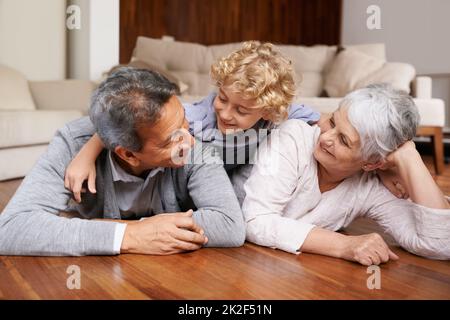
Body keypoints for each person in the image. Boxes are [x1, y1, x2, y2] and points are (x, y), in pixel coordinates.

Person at [0, 68, 245, 256]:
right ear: (127, 153)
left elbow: (229, 225)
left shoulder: (195, 144)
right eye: (173, 139)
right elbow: (11, 229)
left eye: (184, 122)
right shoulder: (74, 143)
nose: (189, 142)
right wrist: (131, 235)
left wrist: (98, 227)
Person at [63, 41, 320, 201]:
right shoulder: (195, 118)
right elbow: (128, 125)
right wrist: (87, 153)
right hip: (189, 188)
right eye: (222, 98)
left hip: (233, 183)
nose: (226, 113)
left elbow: (319, 122)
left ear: (267, 111)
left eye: (241, 110)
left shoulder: (278, 117)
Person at [238, 84, 450, 265]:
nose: (326, 138)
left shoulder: (369, 187)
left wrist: (409, 156)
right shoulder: (293, 137)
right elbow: (255, 220)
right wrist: (344, 245)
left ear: (372, 163)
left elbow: (439, 243)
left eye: (343, 140)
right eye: (332, 122)